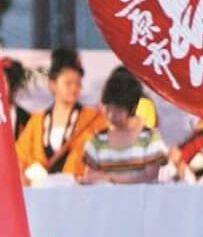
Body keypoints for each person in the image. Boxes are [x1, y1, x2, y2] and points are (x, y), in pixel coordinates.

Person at [16, 49, 107, 182]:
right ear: (53, 85)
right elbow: (19, 156)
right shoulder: (37, 121)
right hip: (40, 193)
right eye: (68, 83)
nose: (74, 88)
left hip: (78, 191)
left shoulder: (94, 119)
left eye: (78, 84)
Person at [81, 68, 170, 185]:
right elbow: (89, 177)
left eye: (118, 111)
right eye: (107, 109)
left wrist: (109, 178)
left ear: (132, 108)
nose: (111, 116)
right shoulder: (97, 141)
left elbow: (149, 177)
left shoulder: (150, 139)